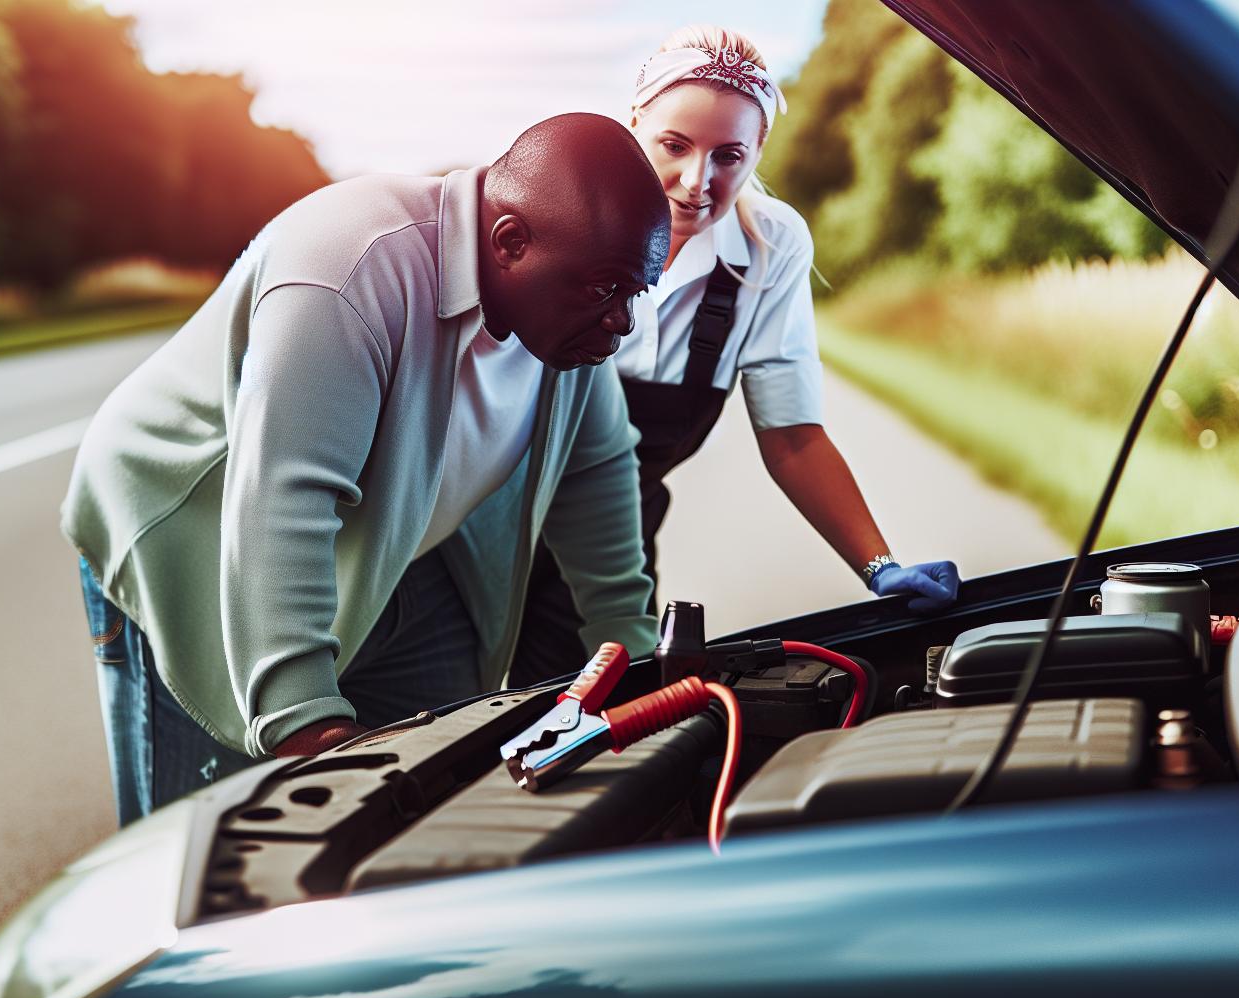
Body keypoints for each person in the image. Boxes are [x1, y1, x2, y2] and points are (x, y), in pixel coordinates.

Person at [64, 113, 673, 826]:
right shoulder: (348, 268)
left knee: (440, 793)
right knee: (215, 841)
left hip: (392, 545)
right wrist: (305, 721)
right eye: (606, 290)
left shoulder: (569, 333)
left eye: (637, 293)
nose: (623, 322)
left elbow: (595, 472)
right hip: (194, 528)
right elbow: (283, 500)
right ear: (510, 242)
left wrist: (632, 654)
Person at [513, 27, 962, 686]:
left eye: (729, 155)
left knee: (601, 725)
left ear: (759, 150)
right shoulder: (554, 212)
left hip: (610, 549)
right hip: (483, 517)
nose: (698, 181)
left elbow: (793, 439)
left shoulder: (771, 248)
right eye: (674, 145)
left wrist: (878, 566)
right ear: (633, 122)